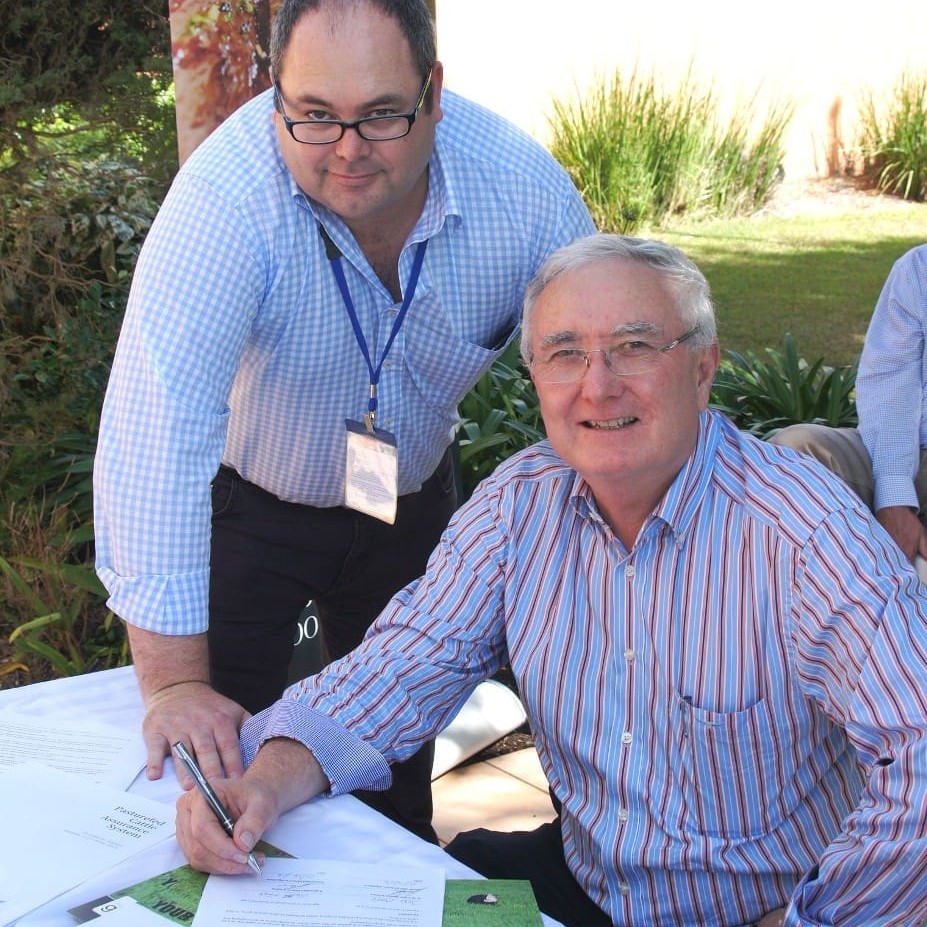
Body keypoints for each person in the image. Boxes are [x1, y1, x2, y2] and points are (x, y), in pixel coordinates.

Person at [175, 234, 927, 927]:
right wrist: (266, 781)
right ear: (534, 373)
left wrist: (817, 917)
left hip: (759, 902)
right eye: (564, 353)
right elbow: (400, 667)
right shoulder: (518, 504)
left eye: (634, 347)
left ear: (702, 369)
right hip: (588, 880)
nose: (596, 387)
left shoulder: (804, 534)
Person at [92, 0, 594, 841]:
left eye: (381, 115)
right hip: (252, 511)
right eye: (315, 116)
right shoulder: (224, 202)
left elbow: (597, 372)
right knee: (222, 765)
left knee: (393, 768)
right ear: (276, 93)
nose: (349, 149)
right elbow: (158, 429)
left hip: (410, 506)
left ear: (433, 92)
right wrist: (175, 685)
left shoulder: (521, 191)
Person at [772, 244, 927, 567]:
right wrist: (895, 499)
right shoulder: (918, 269)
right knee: (795, 452)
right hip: (914, 457)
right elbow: (891, 384)